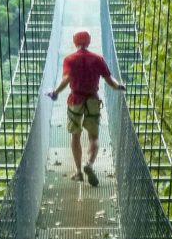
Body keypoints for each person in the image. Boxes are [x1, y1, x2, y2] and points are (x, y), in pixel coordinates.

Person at [46, 30, 125, 186]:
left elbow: (67, 79)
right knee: (94, 137)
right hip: (92, 101)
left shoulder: (69, 59)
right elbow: (110, 80)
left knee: (75, 136)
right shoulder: (97, 59)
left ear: (75, 43)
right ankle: (89, 163)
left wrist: (55, 92)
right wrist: (118, 86)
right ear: (88, 42)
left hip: (75, 100)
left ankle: (79, 172)